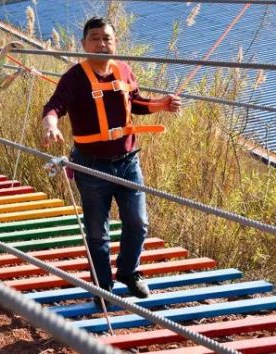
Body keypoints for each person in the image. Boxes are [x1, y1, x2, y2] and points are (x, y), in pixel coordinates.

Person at [42, 16, 181, 306]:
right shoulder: (74, 78)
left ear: (114, 43)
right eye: (95, 38)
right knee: (97, 231)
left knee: (138, 222)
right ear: (83, 43)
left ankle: (129, 272)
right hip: (91, 166)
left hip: (128, 161)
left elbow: (136, 103)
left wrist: (161, 104)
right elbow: (54, 106)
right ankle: (103, 288)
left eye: (107, 38)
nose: (102, 44)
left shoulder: (124, 70)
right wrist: (50, 125)